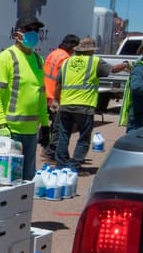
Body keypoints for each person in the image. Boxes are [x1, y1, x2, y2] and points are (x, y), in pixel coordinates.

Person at [0, 16, 49, 181]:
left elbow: (41, 94)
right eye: (29, 30)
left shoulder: (37, 60)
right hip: (8, 131)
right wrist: (1, 123)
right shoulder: (5, 58)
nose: (33, 34)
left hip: (29, 132)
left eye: (36, 31)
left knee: (27, 179)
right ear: (17, 35)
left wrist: (45, 124)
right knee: (2, 181)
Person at [55, 37, 129, 168]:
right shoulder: (95, 61)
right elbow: (113, 70)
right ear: (91, 50)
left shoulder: (67, 62)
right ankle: (74, 165)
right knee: (83, 137)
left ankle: (61, 164)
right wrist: (125, 65)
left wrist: (56, 100)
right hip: (84, 105)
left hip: (66, 105)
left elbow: (58, 84)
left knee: (64, 135)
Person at [41, 34, 79, 160]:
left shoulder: (53, 53)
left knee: (52, 125)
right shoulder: (65, 58)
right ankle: (54, 153)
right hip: (55, 97)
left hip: (46, 93)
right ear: (73, 46)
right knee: (60, 127)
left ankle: (46, 148)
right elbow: (62, 81)